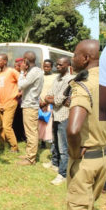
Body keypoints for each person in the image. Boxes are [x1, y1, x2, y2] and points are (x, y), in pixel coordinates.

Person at [66, 40, 106, 210]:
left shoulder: (83, 84)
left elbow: (73, 130)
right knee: (89, 206)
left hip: (86, 161)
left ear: (85, 58)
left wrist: (74, 153)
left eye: (75, 54)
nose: (73, 58)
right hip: (104, 158)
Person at [44, 57, 73, 185]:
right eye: (57, 64)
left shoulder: (69, 80)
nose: (58, 66)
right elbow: (48, 95)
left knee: (63, 146)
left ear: (67, 65)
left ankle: (63, 173)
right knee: (55, 141)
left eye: (61, 65)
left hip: (64, 116)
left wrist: (53, 99)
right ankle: (55, 163)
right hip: (55, 114)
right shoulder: (57, 78)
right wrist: (51, 98)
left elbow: (58, 99)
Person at [17, 51, 44, 165]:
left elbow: (21, 85)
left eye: (23, 60)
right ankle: (29, 154)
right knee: (29, 131)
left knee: (31, 132)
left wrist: (22, 71)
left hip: (30, 105)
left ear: (26, 60)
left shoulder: (34, 72)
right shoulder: (34, 71)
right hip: (29, 104)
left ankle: (30, 159)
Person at [0, 53, 20, 152]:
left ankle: (14, 147)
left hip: (10, 101)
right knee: (0, 127)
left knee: (7, 126)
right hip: (0, 102)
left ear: (5, 61)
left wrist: (19, 91)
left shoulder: (11, 71)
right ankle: (2, 146)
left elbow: (22, 81)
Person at [39, 59, 57, 149]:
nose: (46, 68)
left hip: (49, 103)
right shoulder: (40, 76)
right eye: (44, 66)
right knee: (40, 122)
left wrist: (46, 103)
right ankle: (41, 141)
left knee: (49, 123)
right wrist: (40, 102)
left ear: (51, 67)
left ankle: (50, 140)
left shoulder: (55, 77)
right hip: (39, 103)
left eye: (48, 66)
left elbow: (54, 91)